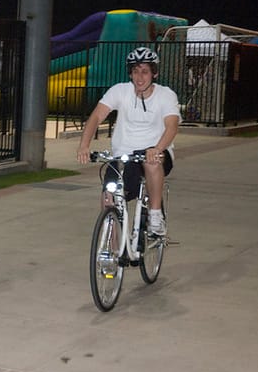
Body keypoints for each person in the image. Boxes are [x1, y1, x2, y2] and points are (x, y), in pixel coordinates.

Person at [76, 47, 180, 235]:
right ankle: (113, 254)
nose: (139, 77)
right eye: (135, 71)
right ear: (130, 73)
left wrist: (157, 149)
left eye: (145, 71)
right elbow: (96, 117)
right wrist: (84, 145)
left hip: (156, 153)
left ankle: (155, 214)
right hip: (124, 156)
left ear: (154, 73)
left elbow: (172, 126)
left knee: (151, 162)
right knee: (109, 197)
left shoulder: (166, 95)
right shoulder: (119, 91)